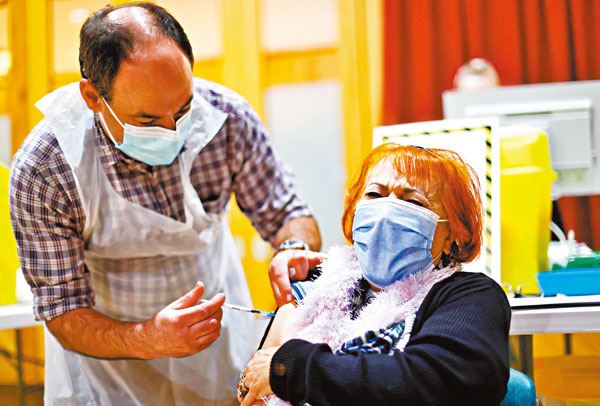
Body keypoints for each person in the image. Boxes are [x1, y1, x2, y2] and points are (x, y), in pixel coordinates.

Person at [9, 3, 323, 405]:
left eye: (183, 108)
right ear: (92, 96)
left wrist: (293, 249)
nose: (174, 130)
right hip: (106, 370)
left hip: (217, 353)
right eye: (148, 121)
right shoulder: (47, 166)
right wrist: (148, 338)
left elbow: (287, 213)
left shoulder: (226, 118)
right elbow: (64, 311)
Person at [238, 144, 511, 405]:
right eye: (374, 195)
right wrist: (260, 378)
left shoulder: (471, 296)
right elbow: (254, 388)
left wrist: (296, 369)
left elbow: (441, 381)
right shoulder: (314, 289)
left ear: (453, 236)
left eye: (412, 201)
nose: (385, 212)